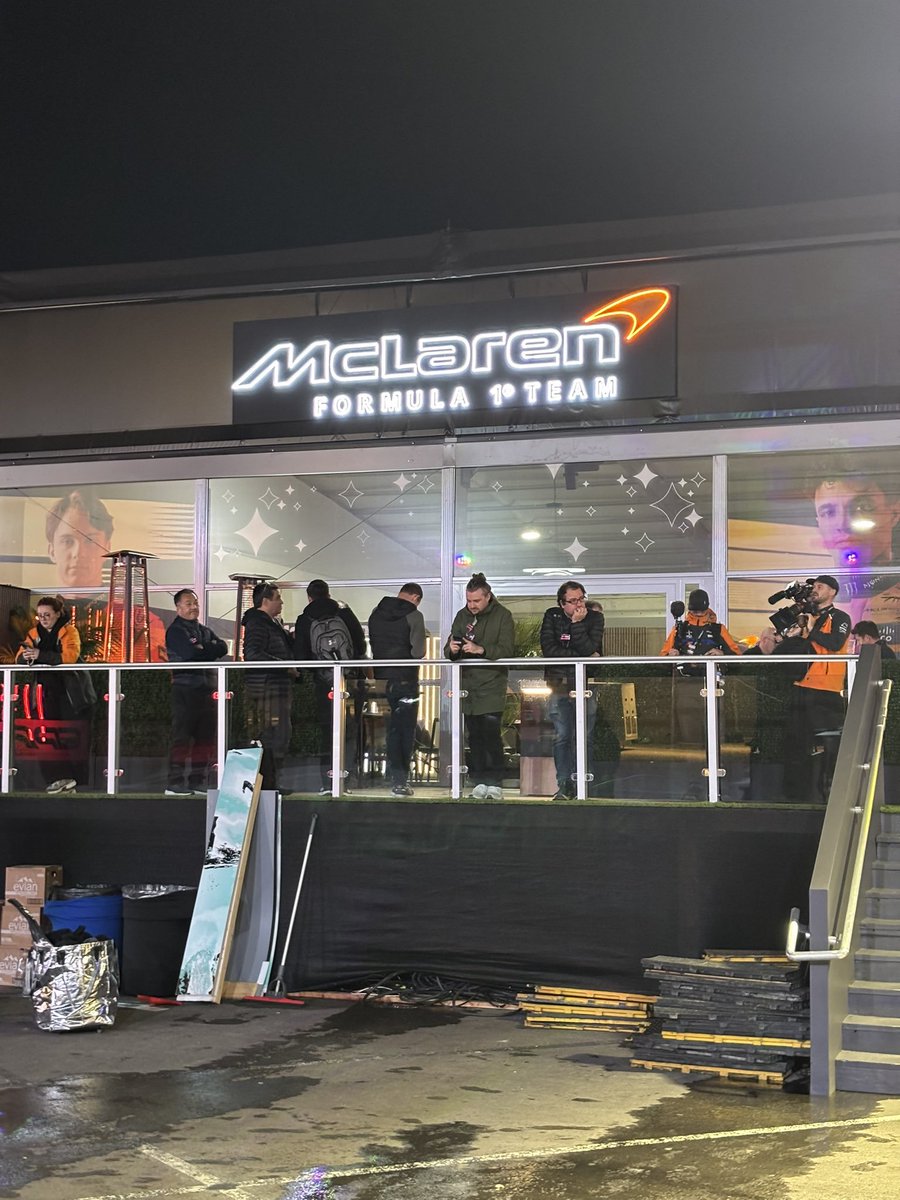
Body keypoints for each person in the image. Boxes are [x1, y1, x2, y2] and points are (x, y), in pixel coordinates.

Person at [777, 574, 851, 802]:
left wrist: (810, 629)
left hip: (826, 690)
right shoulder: (805, 617)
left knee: (830, 746)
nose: (815, 589)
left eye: (820, 586)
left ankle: (829, 794)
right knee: (797, 744)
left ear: (832, 592)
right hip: (801, 685)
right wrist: (791, 636)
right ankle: (796, 796)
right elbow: (783, 654)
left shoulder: (840, 617)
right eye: (814, 586)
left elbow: (835, 643)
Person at [444, 572, 515, 800]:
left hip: (492, 684)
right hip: (468, 687)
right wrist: (452, 650)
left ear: (488, 597)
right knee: (474, 736)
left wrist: (481, 650)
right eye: (469, 600)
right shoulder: (461, 615)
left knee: (490, 734)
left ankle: (494, 781)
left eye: (476, 601)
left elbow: (507, 650)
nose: (472, 605)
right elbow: (449, 648)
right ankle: (479, 780)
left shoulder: (503, 616)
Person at [294, 579, 367, 793]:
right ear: (328, 594)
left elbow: (301, 656)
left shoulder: (304, 619)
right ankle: (348, 779)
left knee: (327, 732)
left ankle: (327, 782)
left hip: (323, 683)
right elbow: (361, 645)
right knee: (350, 731)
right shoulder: (344, 613)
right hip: (349, 682)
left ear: (309, 597)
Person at [16, 595, 92, 793]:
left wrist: (40, 655)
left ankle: (72, 778)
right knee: (45, 735)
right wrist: (27, 656)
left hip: (69, 692)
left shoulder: (69, 631)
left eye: (47, 615)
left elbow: (70, 657)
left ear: (58, 614)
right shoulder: (33, 633)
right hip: (43, 693)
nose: (43, 619)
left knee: (67, 735)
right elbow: (19, 658)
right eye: (40, 615)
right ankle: (57, 778)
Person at [539, 581, 605, 800]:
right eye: (573, 601)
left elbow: (591, 648)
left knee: (584, 736)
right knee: (562, 736)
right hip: (559, 685)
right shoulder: (552, 616)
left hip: (585, 686)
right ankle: (564, 784)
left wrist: (577, 624)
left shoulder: (594, 618)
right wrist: (583, 654)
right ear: (562, 603)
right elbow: (549, 651)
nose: (579, 605)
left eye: (581, 599)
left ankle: (583, 783)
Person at [164, 589, 229, 796]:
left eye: (195, 603)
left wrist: (203, 648)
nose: (194, 607)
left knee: (205, 738)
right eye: (188, 603)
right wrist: (206, 650)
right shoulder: (175, 631)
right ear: (178, 607)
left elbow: (223, 647)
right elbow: (190, 654)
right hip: (185, 689)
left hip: (207, 689)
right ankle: (174, 783)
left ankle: (197, 781)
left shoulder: (203, 630)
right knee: (182, 737)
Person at [660, 589, 742, 748]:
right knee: (688, 730)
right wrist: (671, 655)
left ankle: (715, 758)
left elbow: (737, 657)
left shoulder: (718, 629)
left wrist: (722, 653)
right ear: (689, 610)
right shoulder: (679, 629)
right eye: (695, 611)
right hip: (686, 684)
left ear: (707, 608)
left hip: (713, 684)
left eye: (701, 611)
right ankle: (690, 757)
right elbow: (662, 658)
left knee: (715, 729)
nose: (698, 614)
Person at [367, 584, 427, 797]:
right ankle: (400, 780)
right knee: (405, 730)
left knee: (388, 729)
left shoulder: (376, 613)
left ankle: (387, 776)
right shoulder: (415, 615)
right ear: (416, 597)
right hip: (405, 679)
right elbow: (418, 652)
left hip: (381, 681)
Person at [241, 582, 296, 793]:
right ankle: (269, 785)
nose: (281, 602)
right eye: (278, 598)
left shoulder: (271, 624)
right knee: (272, 736)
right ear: (265, 601)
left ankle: (272, 783)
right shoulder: (258, 623)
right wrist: (285, 667)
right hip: (267, 689)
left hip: (274, 687)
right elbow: (253, 654)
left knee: (279, 735)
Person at [45, 489, 113, 590]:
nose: (78, 553)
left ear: (106, 549)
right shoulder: (35, 600)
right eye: (67, 541)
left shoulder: (125, 601)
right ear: (52, 551)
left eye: (90, 541)